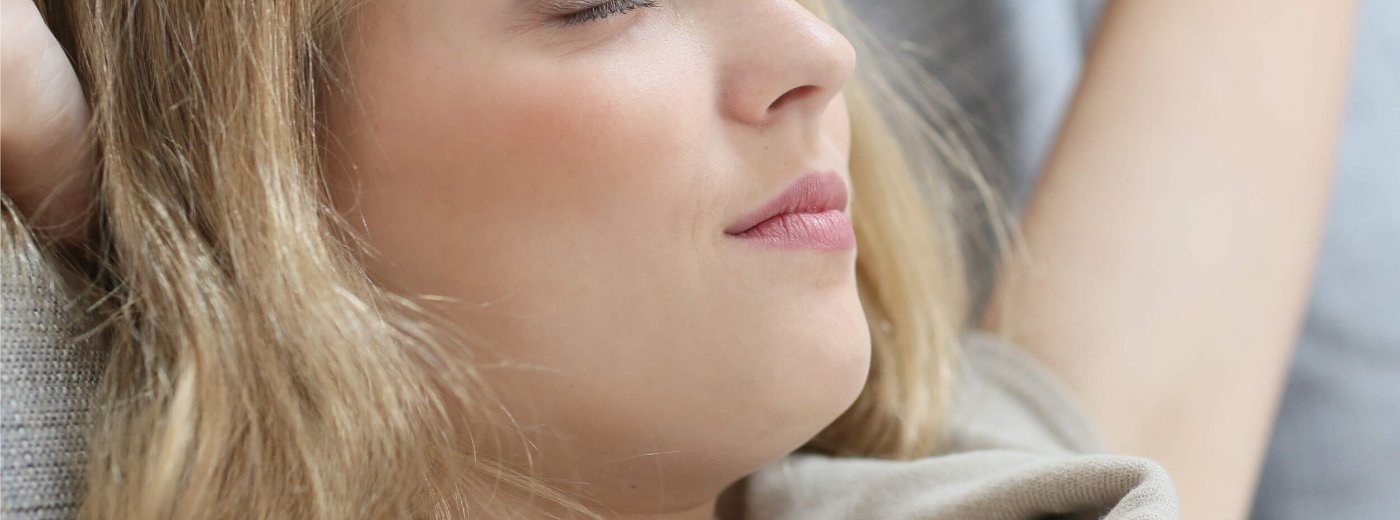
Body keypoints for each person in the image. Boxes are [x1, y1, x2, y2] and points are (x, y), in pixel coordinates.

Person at [0, 0, 1355, 518]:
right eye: (600, 1)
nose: (820, 57)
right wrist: (117, 200)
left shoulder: (978, 480)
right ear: (257, 162)